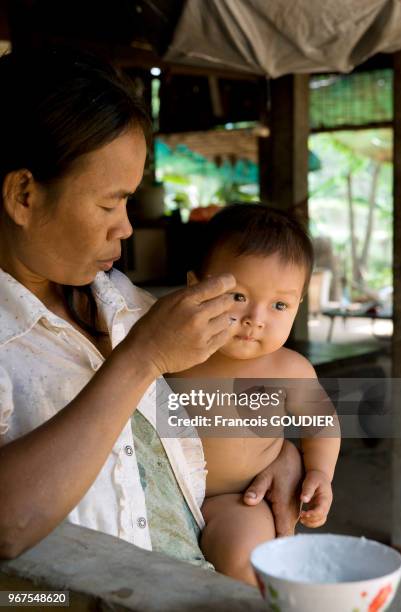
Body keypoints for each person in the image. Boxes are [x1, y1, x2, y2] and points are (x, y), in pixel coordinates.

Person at [0, 47, 303, 568]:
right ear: (25, 195)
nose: (126, 227)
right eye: (108, 203)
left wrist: (283, 456)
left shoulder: (122, 303)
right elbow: (6, 527)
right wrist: (140, 360)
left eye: (129, 202)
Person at [173, 204, 341, 584]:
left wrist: (319, 473)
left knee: (245, 562)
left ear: (297, 307)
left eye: (279, 305)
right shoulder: (173, 351)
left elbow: (322, 424)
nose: (256, 318)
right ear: (195, 286)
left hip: (237, 499)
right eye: (238, 296)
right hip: (161, 494)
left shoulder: (289, 370)